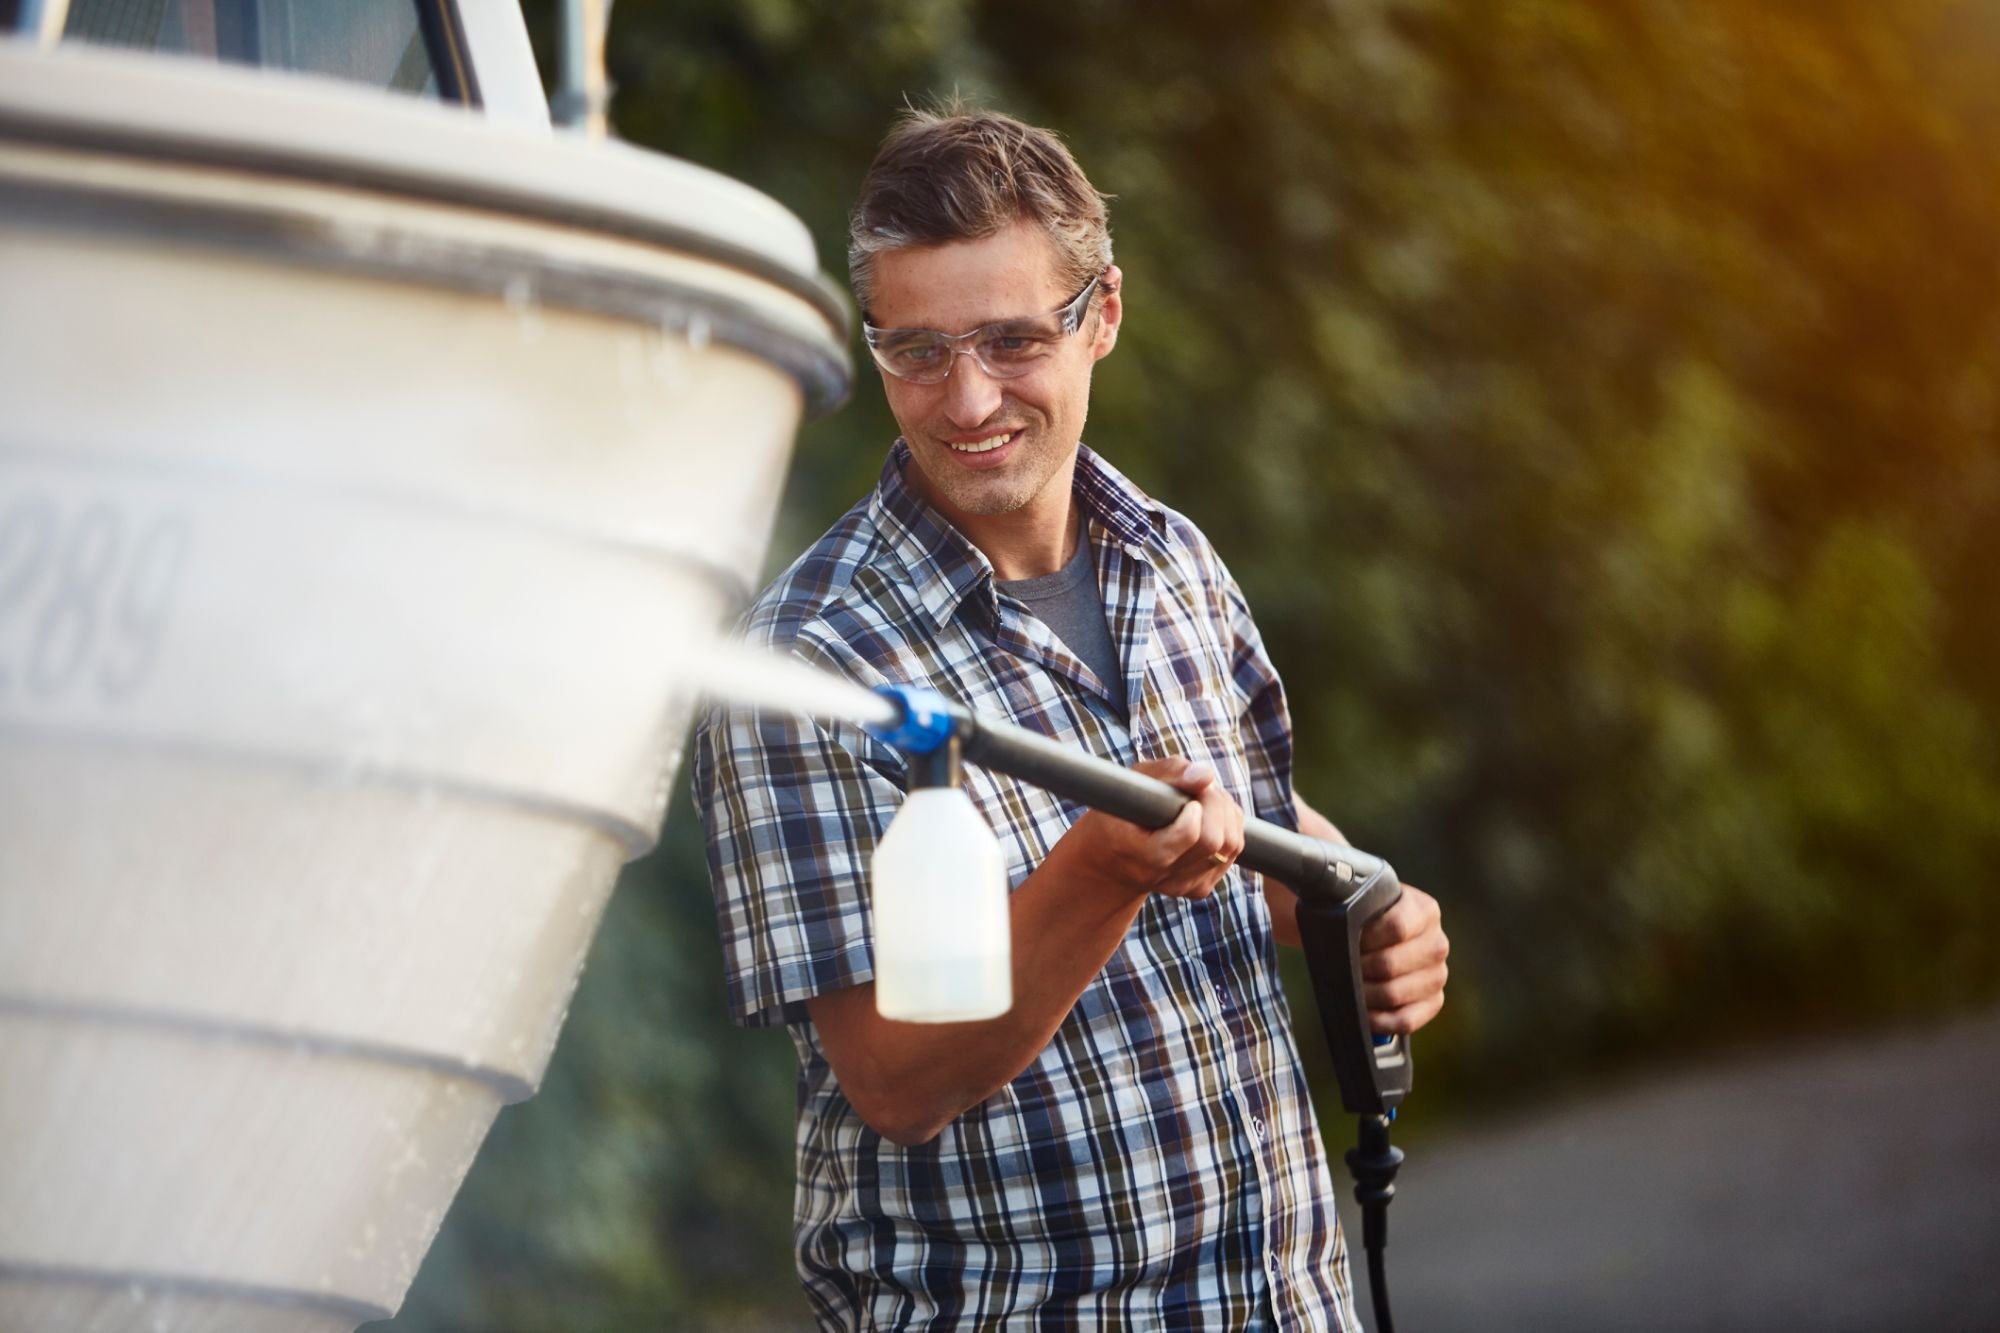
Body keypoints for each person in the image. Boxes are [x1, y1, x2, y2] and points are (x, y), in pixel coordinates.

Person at [693, 106, 1449, 1331]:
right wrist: (1099, 871)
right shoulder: (812, 658)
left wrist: (1364, 906)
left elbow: (1256, 818)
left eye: (1007, 339)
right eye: (916, 351)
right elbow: (893, 1074)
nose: (966, 398)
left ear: (1100, 314)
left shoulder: (1173, 560)